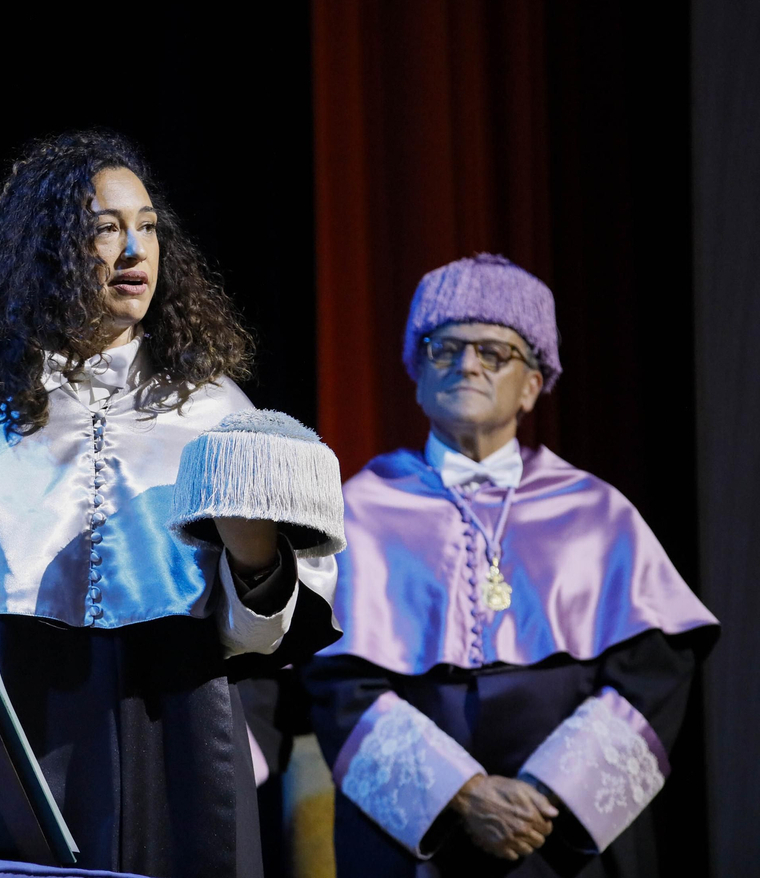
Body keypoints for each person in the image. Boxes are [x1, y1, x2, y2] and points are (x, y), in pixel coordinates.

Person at [0, 130, 342, 878]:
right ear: (49, 253)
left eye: (147, 227)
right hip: (18, 740)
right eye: (106, 229)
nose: (134, 249)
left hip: (177, 728)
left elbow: (266, 643)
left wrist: (252, 558)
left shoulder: (215, 416)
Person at [303, 253, 719, 877]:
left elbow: (656, 674)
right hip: (418, 839)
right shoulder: (358, 508)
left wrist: (548, 797)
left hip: (565, 837)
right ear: (416, 371)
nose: (467, 363)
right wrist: (461, 795)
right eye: (444, 348)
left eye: (494, 352)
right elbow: (335, 686)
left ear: (532, 384)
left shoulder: (597, 512)